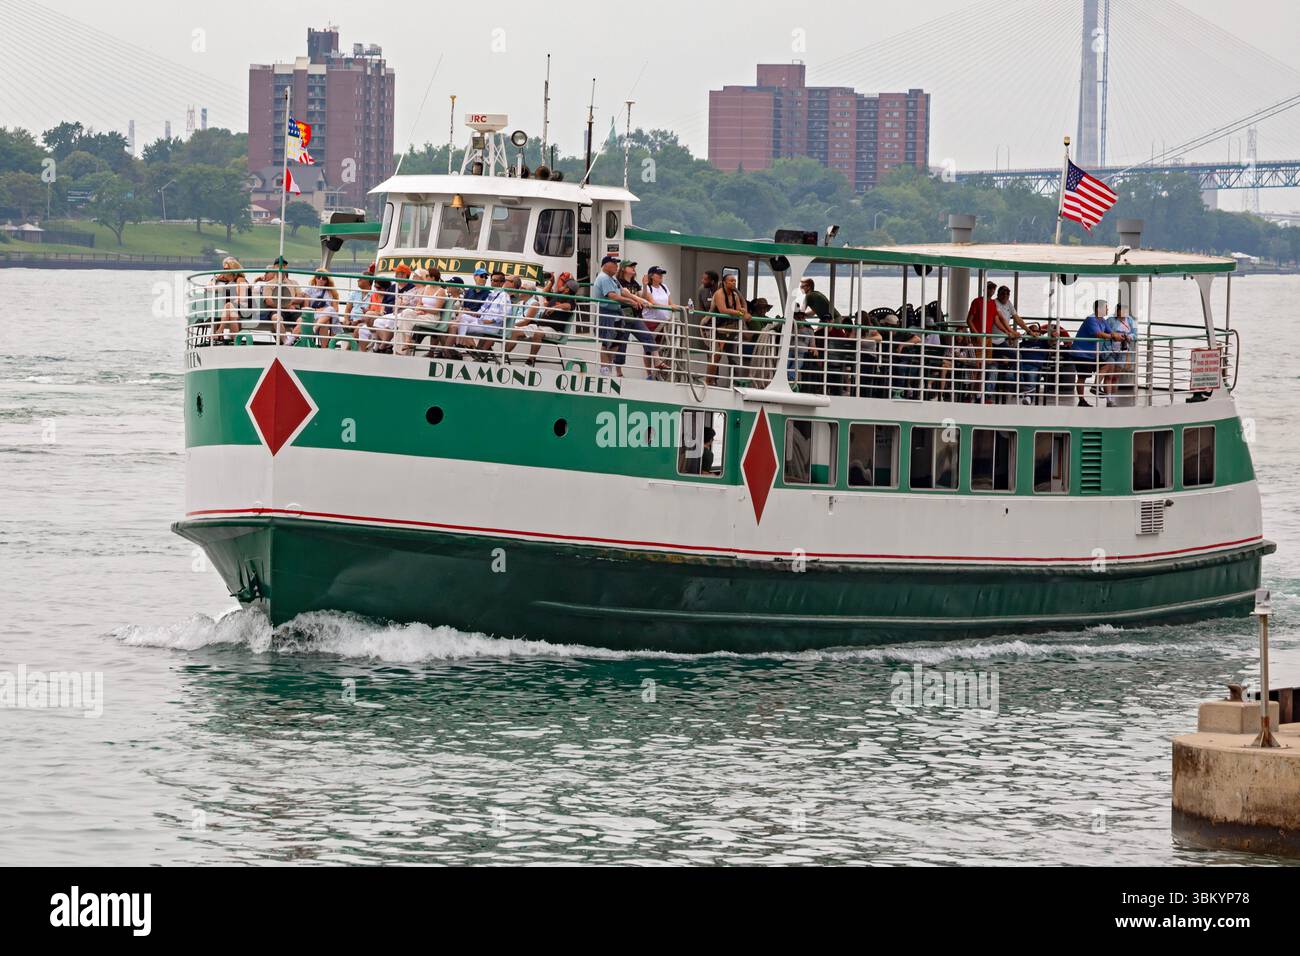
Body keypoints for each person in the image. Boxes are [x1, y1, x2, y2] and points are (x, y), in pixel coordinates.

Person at [1069, 299, 1121, 406]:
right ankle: (1081, 400)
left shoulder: (1102, 320)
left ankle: (1096, 385)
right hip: (1081, 353)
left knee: (1107, 364)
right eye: (1106, 307)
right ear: (1099, 309)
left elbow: (1110, 332)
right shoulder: (1091, 319)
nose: (1107, 309)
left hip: (1092, 354)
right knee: (1082, 377)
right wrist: (1112, 336)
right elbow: (1099, 334)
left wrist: (1121, 336)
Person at [705, 272, 749, 385]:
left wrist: (744, 312)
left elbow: (739, 308)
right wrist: (740, 312)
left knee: (733, 357)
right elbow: (723, 310)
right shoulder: (719, 294)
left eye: (734, 281)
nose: (733, 283)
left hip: (731, 329)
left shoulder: (735, 295)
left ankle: (735, 383)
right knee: (716, 356)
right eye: (731, 281)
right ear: (724, 283)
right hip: (718, 328)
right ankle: (708, 381)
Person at [595, 255, 633, 375]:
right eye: (614, 263)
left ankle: (608, 366)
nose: (617, 266)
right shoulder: (604, 278)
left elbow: (622, 291)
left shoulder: (613, 278)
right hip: (607, 314)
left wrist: (639, 301)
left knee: (616, 342)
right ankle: (605, 370)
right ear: (605, 265)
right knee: (607, 342)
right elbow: (612, 295)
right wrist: (630, 301)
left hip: (616, 314)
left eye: (617, 264)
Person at [257, 257, 304, 344]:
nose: (281, 268)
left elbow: (300, 298)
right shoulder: (269, 284)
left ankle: (289, 342)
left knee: (303, 321)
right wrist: (287, 305)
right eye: (278, 265)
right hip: (277, 310)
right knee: (276, 318)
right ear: (274, 267)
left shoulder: (294, 283)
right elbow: (268, 301)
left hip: (293, 311)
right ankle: (285, 341)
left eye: (284, 266)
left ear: (286, 268)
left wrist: (289, 302)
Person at [211, 256, 254, 342]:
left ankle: (219, 331)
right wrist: (215, 279)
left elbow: (242, 298)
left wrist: (232, 302)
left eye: (226, 269)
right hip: (235, 310)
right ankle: (235, 340)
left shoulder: (240, 279)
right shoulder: (227, 283)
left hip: (245, 309)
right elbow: (208, 288)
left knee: (228, 306)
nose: (224, 271)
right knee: (231, 313)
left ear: (233, 270)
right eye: (223, 269)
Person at [305, 270, 341, 344]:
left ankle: (315, 329)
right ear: (315, 278)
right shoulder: (309, 290)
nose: (321, 279)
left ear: (327, 281)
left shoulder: (331, 292)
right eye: (318, 277)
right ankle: (325, 347)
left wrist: (324, 310)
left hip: (328, 316)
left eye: (324, 278)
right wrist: (317, 310)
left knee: (330, 311)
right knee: (325, 321)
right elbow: (306, 307)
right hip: (314, 315)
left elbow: (336, 309)